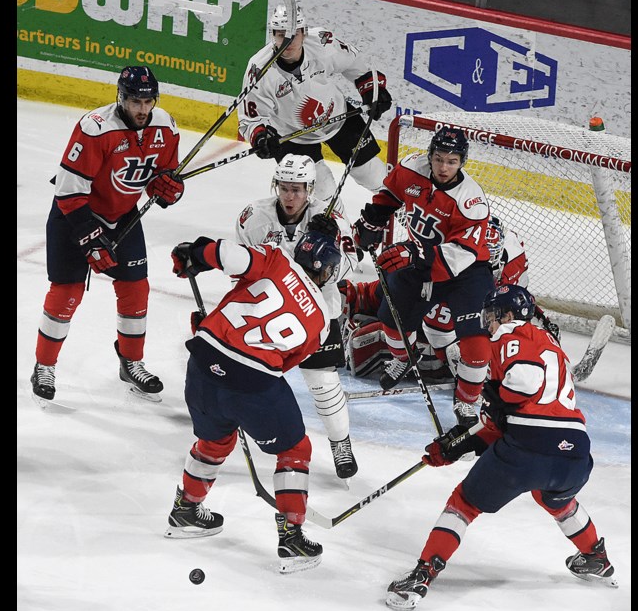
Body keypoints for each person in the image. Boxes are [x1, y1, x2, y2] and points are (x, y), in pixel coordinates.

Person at [384, 284, 617, 610]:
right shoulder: (552, 348)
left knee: (464, 503)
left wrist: (496, 397)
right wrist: (458, 445)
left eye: (492, 315)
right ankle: (596, 557)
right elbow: (505, 423)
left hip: (528, 447)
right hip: (574, 453)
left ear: (508, 315)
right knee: (554, 497)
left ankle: (422, 575)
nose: (488, 322)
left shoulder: (509, 337)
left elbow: (522, 385)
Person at [164, 229, 344, 575]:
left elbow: (228, 255)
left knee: (214, 440)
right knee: (294, 449)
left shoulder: (277, 258)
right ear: (325, 273)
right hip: (251, 381)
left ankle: (186, 509)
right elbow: (284, 362)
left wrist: (196, 253)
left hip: (202, 361)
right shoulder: (322, 320)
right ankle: (291, 537)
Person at [29, 65, 187, 405]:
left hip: (122, 216)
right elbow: (69, 192)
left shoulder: (166, 127)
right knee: (66, 292)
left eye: (148, 102)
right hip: (76, 217)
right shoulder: (96, 129)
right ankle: (44, 366)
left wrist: (168, 189)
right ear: (121, 98)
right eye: (134, 102)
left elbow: (163, 178)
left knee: (135, 288)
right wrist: (90, 238)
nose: (142, 110)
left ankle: (131, 362)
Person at [340, 214, 557, 427]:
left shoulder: (513, 257)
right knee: (380, 310)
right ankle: (403, 348)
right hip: (436, 288)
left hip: (469, 312)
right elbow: (437, 324)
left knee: (472, 353)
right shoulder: (448, 248)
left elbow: (516, 310)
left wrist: (534, 320)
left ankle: (455, 375)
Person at [234, 154, 360, 479]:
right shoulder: (254, 218)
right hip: (272, 309)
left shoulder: (331, 216)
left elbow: (351, 265)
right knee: (248, 371)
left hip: (315, 311)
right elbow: (242, 269)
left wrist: (328, 244)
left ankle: (340, 442)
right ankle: (232, 421)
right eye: (285, 188)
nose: (290, 197)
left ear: (310, 189)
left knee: (323, 382)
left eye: (298, 190)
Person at [351, 126, 496, 409]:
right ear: (430, 156)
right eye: (439, 158)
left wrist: (414, 253)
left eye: (452, 161)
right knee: (392, 316)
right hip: (420, 259)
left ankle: (467, 400)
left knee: (475, 340)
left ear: (462, 163)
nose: (444, 167)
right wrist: (373, 220)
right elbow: (390, 194)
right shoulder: (412, 168)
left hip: (466, 273)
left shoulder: (471, 202)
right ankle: (404, 358)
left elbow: (461, 254)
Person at [237, 2, 393, 216]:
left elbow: (354, 63)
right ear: (273, 34)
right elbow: (250, 120)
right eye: (281, 34)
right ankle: (340, 232)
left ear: (304, 32)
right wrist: (261, 137)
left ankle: (405, 218)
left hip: (338, 116)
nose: (288, 40)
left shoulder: (321, 43)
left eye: (294, 33)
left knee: (372, 174)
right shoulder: (258, 69)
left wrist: (372, 89)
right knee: (322, 188)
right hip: (291, 135)